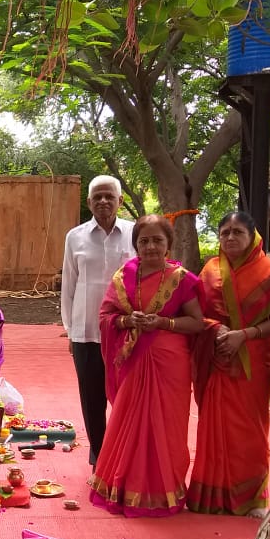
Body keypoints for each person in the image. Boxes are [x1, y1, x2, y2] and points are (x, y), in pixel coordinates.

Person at [89, 215, 204, 517]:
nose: (151, 246)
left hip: (169, 365)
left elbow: (196, 322)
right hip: (134, 361)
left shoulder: (183, 279)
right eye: (144, 240)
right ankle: (125, 488)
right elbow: (105, 317)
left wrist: (162, 322)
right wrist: (128, 320)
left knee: (166, 428)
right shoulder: (123, 277)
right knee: (129, 421)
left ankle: (163, 491)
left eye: (157, 240)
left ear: (168, 245)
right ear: (136, 244)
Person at [189, 212, 270, 517]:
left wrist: (243, 336)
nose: (230, 238)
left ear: (253, 236)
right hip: (216, 355)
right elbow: (195, 314)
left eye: (238, 232)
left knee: (250, 429)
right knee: (213, 426)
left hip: (253, 360)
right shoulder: (209, 270)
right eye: (225, 232)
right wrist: (214, 328)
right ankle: (211, 495)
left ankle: (252, 498)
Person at [60, 175, 135, 466]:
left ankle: (125, 454)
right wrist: (70, 330)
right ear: (89, 202)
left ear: (120, 200)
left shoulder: (135, 234)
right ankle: (99, 457)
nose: (104, 201)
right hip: (86, 331)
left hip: (125, 331)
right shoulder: (75, 237)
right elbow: (69, 285)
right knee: (92, 399)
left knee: (125, 396)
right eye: (98, 197)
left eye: (109, 196)